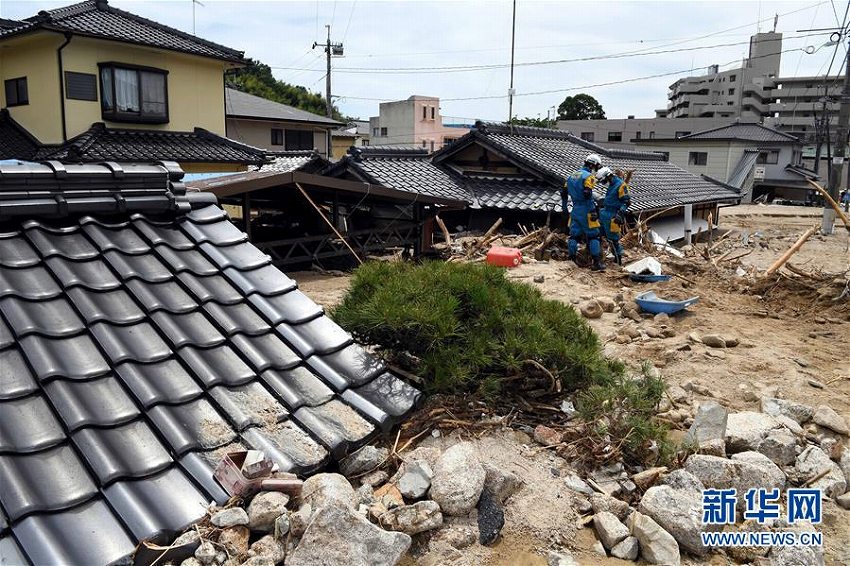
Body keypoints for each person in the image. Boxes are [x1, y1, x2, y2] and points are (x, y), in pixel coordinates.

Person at [566, 153, 605, 271]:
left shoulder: (571, 176)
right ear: (593, 165)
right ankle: (596, 263)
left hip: (575, 209)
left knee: (574, 236)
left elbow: (563, 192)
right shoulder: (589, 177)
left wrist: (564, 207)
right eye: (596, 167)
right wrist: (593, 209)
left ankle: (571, 259)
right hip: (586, 210)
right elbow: (587, 193)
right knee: (594, 236)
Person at [595, 166, 631, 265]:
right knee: (597, 234)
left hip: (613, 215)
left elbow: (627, 201)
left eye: (603, 181)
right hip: (604, 213)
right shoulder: (611, 184)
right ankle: (598, 257)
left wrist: (620, 213)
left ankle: (618, 260)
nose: (603, 183)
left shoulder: (620, 185)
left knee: (613, 240)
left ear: (608, 176)